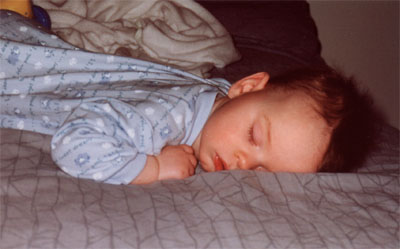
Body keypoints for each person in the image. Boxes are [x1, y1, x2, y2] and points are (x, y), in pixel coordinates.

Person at [0, 10, 378, 185]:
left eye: (265, 170)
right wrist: (153, 168)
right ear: (245, 87)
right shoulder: (165, 119)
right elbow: (76, 142)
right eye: (254, 137)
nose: (243, 163)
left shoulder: (210, 97)